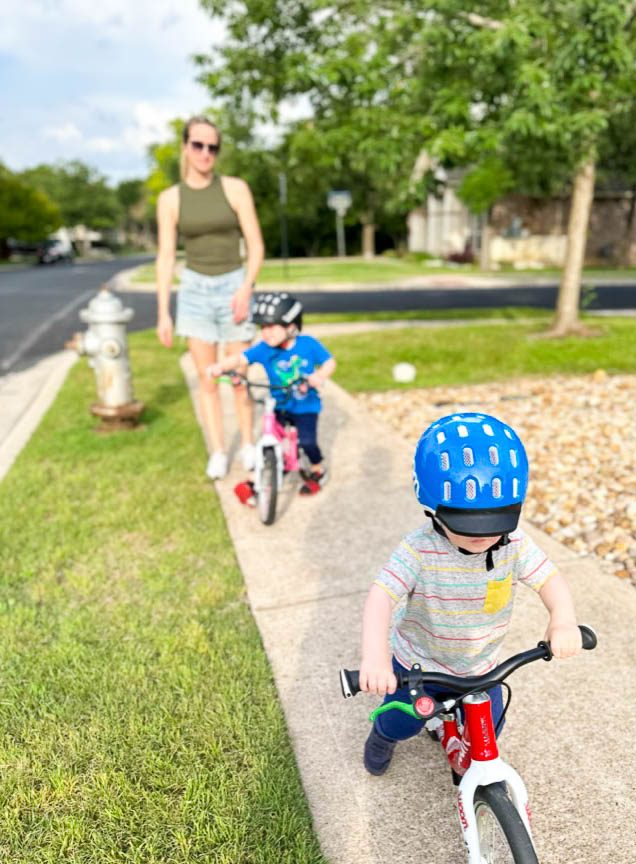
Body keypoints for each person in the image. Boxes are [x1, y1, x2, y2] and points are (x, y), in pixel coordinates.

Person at [359, 412, 582, 776]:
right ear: (432, 508)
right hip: (419, 664)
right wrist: (376, 659)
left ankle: (464, 754)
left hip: (481, 664)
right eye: (464, 523)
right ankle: (382, 737)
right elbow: (381, 596)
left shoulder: (514, 544)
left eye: (495, 523)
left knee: (491, 728)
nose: (481, 535)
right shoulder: (419, 549)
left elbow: (549, 579)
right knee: (403, 722)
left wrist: (562, 619)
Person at [156, 115, 265, 480]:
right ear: (186, 147)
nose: (206, 153)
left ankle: (248, 443)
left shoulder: (235, 188)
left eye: (213, 147)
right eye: (198, 145)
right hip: (194, 292)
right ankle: (219, 451)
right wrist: (163, 313)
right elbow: (166, 256)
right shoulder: (170, 199)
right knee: (207, 379)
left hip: (234, 286)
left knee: (237, 376)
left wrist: (247, 286)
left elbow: (255, 243)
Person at [208, 292, 336, 496]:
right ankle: (257, 477)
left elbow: (330, 362)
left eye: (272, 326)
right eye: (263, 327)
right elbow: (240, 359)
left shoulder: (308, 344)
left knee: (307, 441)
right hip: (279, 404)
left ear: (291, 326)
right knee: (269, 438)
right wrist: (220, 366)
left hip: (305, 406)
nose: (266, 333)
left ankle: (318, 469)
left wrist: (319, 376)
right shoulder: (265, 348)